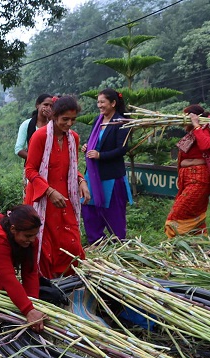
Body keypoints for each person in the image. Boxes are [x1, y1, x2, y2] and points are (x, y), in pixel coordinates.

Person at [24, 95, 90, 278]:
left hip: (65, 198)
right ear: (54, 116)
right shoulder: (40, 136)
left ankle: (70, 280)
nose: (69, 124)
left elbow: (73, 168)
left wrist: (81, 182)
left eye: (73, 120)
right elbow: (30, 170)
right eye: (65, 119)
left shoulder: (73, 139)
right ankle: (46, 282)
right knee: (45, 243)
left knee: (71, 243)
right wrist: (49, 191)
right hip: (43, 198)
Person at [165, 105, 210, 238]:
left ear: (194, 117)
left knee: (177, 215)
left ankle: (176, 243)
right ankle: (198, 246)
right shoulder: (191, 134)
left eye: (186, 117)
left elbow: (207, 145)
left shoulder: (203, 130)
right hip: (189, 180)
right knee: (194, 214)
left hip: (199, 181)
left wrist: (196, 125)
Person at [82, 88, 133, 244]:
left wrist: (100, 155)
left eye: (102, 102)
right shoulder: (98, 121)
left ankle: (119, 244)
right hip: (92, 174)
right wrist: (86, 147)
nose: (99, 105)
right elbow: (94, 143)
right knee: (88, 209)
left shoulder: (122, 122)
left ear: (113, 103)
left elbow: (122, 149)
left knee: (114, 212)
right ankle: (96, 242)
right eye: (98, 102)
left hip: (111, 176)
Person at [14, 94, 55, 160]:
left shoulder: (54, 125)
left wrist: (51, 119)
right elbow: (18, 149)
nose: (49, 108)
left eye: (51, 106)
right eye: (46, 105)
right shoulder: (27, 124)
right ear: (37, 105)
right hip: (33, 166)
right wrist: (35, 159)